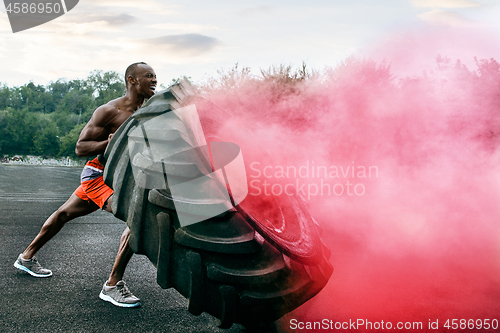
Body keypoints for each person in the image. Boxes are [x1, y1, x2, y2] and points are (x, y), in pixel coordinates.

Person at [14, 62, 157, 308]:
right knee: (138, 217)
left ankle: (26, 257)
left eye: (156, 76)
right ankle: (112, 286)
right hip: (98, 175)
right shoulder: (110, 110)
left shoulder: (147, 110)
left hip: (121, 176)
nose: (154, 80)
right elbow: (80, 148)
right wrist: (108, 143)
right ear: (132, 80)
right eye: (149, 76)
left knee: (63, 215)